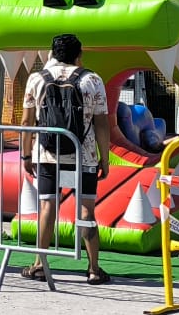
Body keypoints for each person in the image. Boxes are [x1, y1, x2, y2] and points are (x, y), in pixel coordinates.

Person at [21, 31, 112, 284]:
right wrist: (104, 159)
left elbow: (26, 121)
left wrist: (26, 155)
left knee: (47, 206)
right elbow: (102, 123)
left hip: (47, 154)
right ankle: (93, 269)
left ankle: (40, 264)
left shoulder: (36, 79)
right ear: (79, 55)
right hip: (84, 154)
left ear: (52, 54)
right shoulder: (92, 80)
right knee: (86, 210)